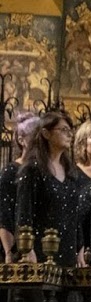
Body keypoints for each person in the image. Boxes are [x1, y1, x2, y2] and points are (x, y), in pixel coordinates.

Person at [14, 112, 91, 302]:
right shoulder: (33, 170)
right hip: (39, 250)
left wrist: (79, 248)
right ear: (46, 133)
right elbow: (23, 213)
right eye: (63, 130)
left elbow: (74, 214)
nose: (69, 135)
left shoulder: (71, 173)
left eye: (70, 130)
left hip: (66, 251)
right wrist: (26, 250)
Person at [0, 112, 38, 262]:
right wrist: (9, 252)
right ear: (22, 140)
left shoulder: (45, 171)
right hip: (19, 247)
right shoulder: (11, 171)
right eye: (33, 136)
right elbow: (5, 214)